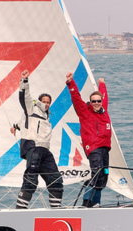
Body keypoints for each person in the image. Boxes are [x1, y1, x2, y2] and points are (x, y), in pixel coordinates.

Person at [14, 69, 63, 209]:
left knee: (56, 181)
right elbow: (25, 98)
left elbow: (23, 123)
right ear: (40, 101)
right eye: (44, 101)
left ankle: (56, 210)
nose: (46, 104)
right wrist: (24, 81)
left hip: (45, 150)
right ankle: (20, 210)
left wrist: (15, 126)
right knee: (31, 180)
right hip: (34, 148)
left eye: (48, 102)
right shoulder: (33, 109)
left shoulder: (47, 117)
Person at [66, 72, 111, 207]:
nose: (96, 103)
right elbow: (76, 98)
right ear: (90, 102)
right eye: (94, 101)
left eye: (98, 101)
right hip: (93, 148)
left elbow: (104, 96)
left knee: (103, 177)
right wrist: (71, 83)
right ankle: (86, 202)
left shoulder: (104, 110)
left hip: (105, 149)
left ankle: (95, 203)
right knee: (96, 173)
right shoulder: (85, 111)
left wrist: (101, 84)